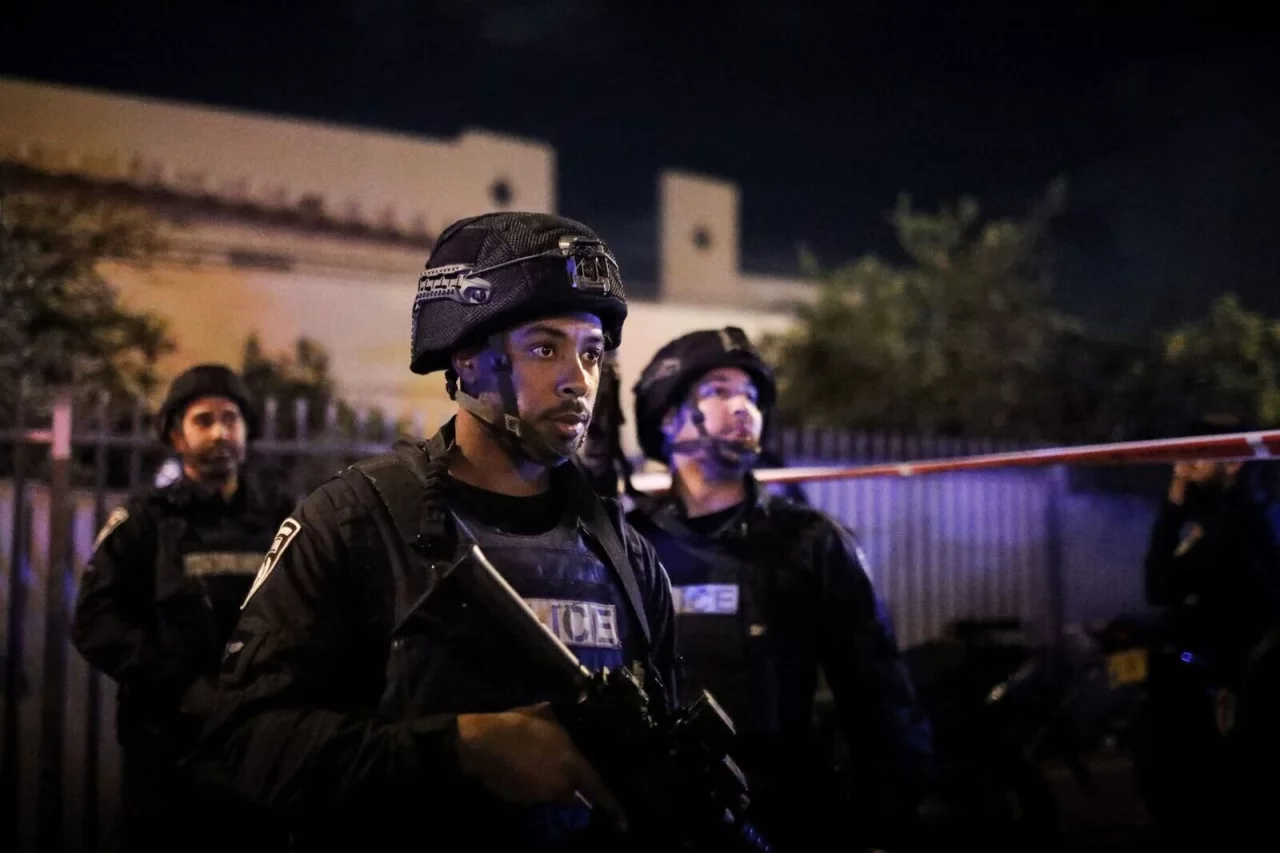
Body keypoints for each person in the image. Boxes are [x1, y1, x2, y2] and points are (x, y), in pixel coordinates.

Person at [191, 213, 679, 852]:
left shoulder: (625, 555)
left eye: (591, 352)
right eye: (545, 348)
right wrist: (457, 749)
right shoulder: (352, 521)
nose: (578, 379)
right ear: (468, 359)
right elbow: (245, 741)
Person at [626, 327, 935, 853]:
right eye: (719, 391)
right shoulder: (629, 547)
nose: (743, 408)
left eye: (751, 395)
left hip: (783, 825)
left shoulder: (810, 543)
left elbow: (880, 701)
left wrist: (887, 826)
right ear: (667, 417)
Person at [70, 364, 295, 853]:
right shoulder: (144, 521)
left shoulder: (282, 516)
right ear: (177, 436)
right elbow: (95, 622)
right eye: (203, 420)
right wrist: (182, 685)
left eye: (230, 418)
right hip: (168, 746)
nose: (220, 433)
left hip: (260, 739)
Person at [1135, 413, 1280, 850]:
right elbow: (1158, 587)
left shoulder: (1245, 518)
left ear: (1233, 463)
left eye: (1197, 457)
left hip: (1241, 688)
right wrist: (1172, 507)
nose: (1183, 467)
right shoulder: (1205, 522)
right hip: (1199, 679)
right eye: (1181, 458)